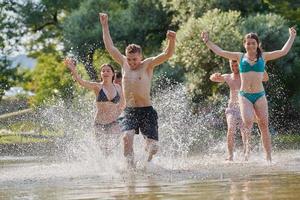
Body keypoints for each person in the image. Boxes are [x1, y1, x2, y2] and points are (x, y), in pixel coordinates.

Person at [201, 27, 296, 162]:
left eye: (253, 43)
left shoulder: (264, 57)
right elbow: (220, 52)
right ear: (244, 44)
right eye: (248, 43)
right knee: (248, 121)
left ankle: (268, 158)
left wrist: (291, 36)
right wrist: (207, 41)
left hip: (260, 95)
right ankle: (246, 153)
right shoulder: (239, 57)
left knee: (264, 125)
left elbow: (283, 51)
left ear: (257, 44)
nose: (250, 45)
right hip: (245, 96)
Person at [99, 12, 176, 167]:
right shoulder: (123, 63)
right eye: (129, 59)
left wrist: (172, 40)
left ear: (140, 57)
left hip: (147, 111)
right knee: (126, 137)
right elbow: (110, 47)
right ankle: (131, 169)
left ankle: (147, 164)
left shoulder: (147, 65)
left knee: (153, 147)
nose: (132, 62)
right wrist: (105, 25)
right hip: (130, 110)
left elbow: (167, 54)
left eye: (134, 59)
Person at [210, 60, 269, 161]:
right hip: (232, 108)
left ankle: (247, 153)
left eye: (236, 65)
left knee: (245, 131)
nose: (234, 68)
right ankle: (230, 155)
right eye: (232, 66)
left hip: (244, 107)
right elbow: (212, 79)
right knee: (231, 128)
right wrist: (214, 75)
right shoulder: (228, 77)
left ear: (240, 65)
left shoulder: (245, 76)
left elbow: (265, 78)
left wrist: (260, 67)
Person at [64, 59, 125, 153]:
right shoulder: (97, 86)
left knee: (113, 147)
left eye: (108, 70)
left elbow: (122, 104)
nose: (105, 72)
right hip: (99, 124)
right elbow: (81, 82)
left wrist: (118, 113)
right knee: (103, 151)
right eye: (103, 71)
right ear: (101, 74)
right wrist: (73, 69)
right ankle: (105, 166)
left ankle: (117, 165)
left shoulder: (118, 87)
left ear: (113, 74)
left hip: (114, 122)